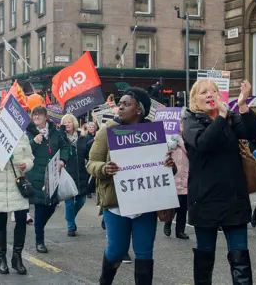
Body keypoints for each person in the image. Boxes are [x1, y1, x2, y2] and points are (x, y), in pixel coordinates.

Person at [87, 87, 177, 285]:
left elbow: (163, 168)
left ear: (139, 110)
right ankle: (105, 280)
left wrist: (170, 166)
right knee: (117, 251)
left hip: (145, 204)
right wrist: (104, 168)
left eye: (126, 104)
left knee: (144, 253)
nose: (120, 108)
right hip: (116, 203)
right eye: (120, 104)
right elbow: (91, 164)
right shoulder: (108, 130)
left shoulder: (153, 132)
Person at [182, 79, 256, 284]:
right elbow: (204, 143)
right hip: (205, 199)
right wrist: (222, 117)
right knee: (204, 258)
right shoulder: (190, 121)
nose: (210, 95)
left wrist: (242, 105)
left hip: (233, 198)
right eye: (204, 92)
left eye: (213, 91)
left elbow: (252, 133)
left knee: (240, 257)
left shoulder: (231, 117)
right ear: (194, 99)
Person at [0, 124, 34, 275]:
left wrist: (26, 164)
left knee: (22, 219)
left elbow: (30, 157)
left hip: (17, 183)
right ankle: (1, 258)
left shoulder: (22, 136)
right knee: (1, 221)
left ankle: (17, 257)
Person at [26, 105, 69, 253]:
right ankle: (40, 241)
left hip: (53, 174)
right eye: (34, 115)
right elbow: (25, 151)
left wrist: (63, 160)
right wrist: (35, 142)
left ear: (45, 117)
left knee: (51, 205)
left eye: (39, 115)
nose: (36, 117)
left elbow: (65, 146)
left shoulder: (55, 133)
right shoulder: (29, 133)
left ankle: (40, 227)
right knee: (40, 206)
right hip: (36, 175)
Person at [60, 114, 90, 237]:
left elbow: (88, 154)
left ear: (74, 123)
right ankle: (71, 226)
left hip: (81, 173)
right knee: (69, 201)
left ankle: (69, 217)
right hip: (67, 173)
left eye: (69, 122)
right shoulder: (61, 138)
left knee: (81, 200)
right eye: (64, 122)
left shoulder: (82, 138)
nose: (67, 124)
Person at [164, 124, 189, 240]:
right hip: (173, 178)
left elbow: (190, 152)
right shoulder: (168, 138)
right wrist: (169, 145)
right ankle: (168, 223)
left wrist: (180, 141)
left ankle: (180, 231)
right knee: (173, 207)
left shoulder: (187, 139)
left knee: (183, 209)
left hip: (185, 177)